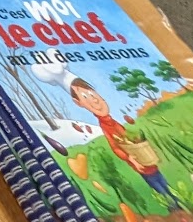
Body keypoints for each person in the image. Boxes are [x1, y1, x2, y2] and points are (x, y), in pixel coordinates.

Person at [68, 78, 182, 211]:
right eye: (85, 97)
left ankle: (176, 202)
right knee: (157, 184)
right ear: (78, 103)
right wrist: (131, 159)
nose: (94, 100)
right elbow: (115, 147)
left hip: (145, 159)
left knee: (161, 180)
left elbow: (126, 137)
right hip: (139, 162)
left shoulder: (112, 122)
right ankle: (173, 206)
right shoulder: (106, 125)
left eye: (92, 94)